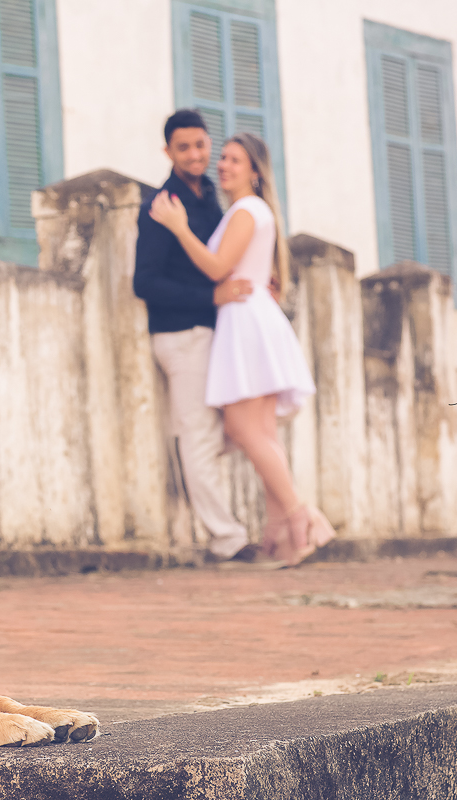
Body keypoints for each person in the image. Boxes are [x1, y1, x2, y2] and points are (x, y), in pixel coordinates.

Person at [149, 132, 335, 565]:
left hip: (245, 321)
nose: (224, 166)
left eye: (235, 160)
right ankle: (283, 535)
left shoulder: (246, 210)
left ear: (255, 170)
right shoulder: (247, 211)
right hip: (249, 319)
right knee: (262, 434)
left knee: (246, 431)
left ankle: (300, 516)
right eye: (225, 158)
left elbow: (217, 267)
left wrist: (178, 228)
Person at [133, 109, 257, 562]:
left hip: (215, 337)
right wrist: (213, 298)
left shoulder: (211, 199)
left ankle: (226, 530)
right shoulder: (160, 207)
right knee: (199, 437)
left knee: (235, 427)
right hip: (181, 338)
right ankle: (227, 539)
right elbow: (144, 284)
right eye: (183, 147)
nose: (195, 155)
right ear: (168, 151)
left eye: (201, 145)